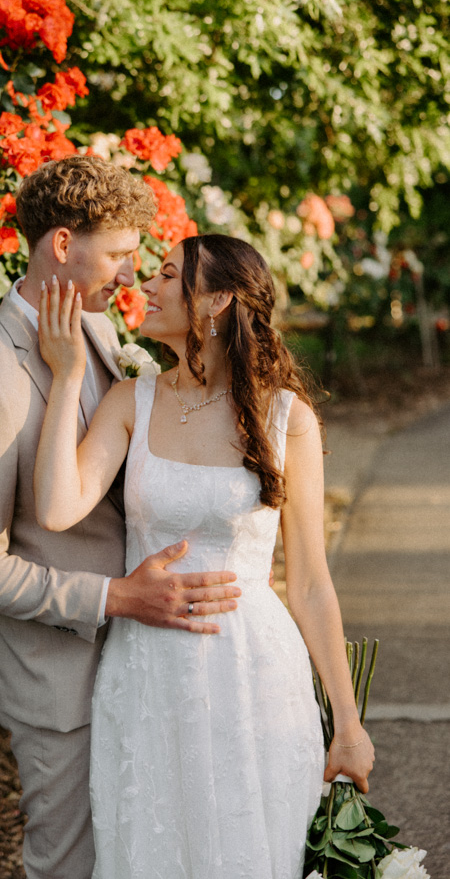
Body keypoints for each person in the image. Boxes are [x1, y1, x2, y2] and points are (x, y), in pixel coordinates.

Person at [0, 158, 243, 879]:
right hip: (60, 687)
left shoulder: (99, 334)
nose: (133, 276)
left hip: (143, 661)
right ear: (64, 246)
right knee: (69, 865)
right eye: (120, 257)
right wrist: (114, 598)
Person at [34, 233, 375, 879]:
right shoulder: (129, 402)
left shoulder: (286, 420)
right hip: (145, 676)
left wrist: (349, 723)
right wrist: (67, 374)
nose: (147, 286)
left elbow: (309, 586)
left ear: (216, 300)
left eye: (167, 275)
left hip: (254, 676)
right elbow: (56, 506)